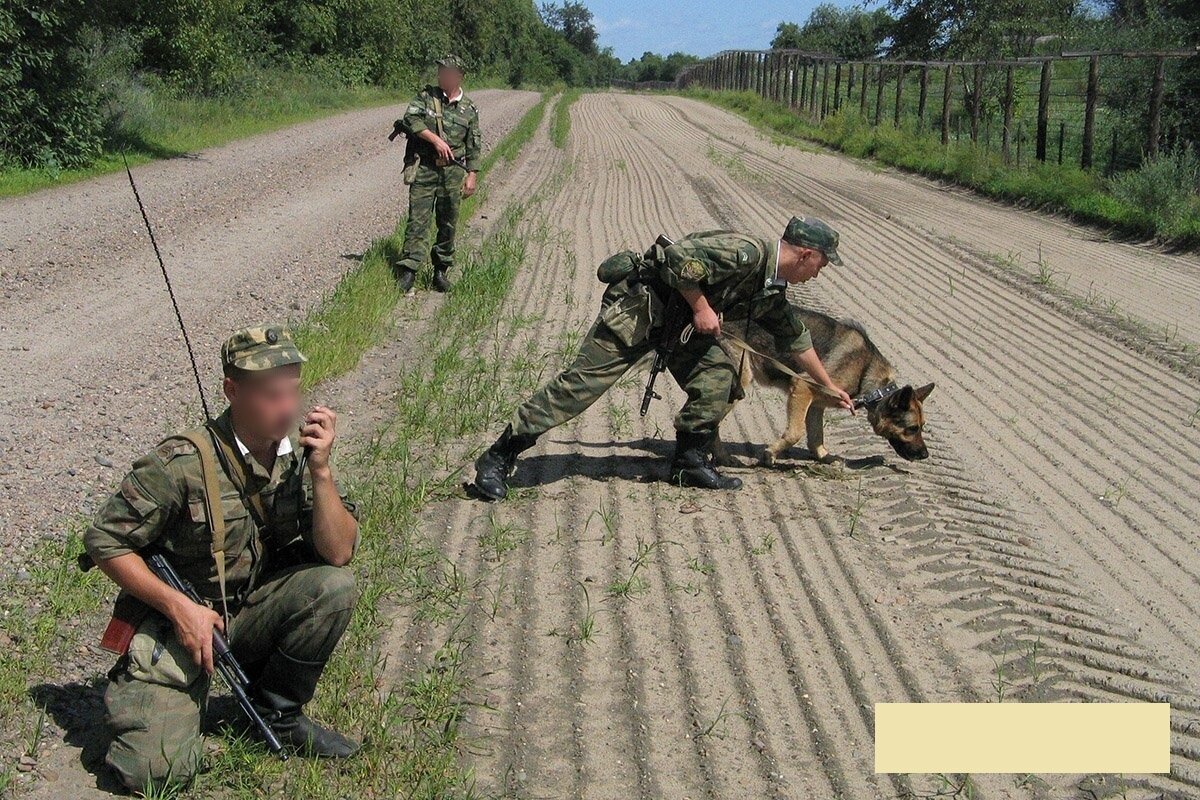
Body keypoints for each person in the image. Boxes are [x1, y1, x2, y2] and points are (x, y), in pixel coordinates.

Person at [83, 325, 361, 793]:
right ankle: (155, 698)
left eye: (293, 391)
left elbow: (339, 552)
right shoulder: (182, 463)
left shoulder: (296, 455)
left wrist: (322, 471)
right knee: (157, 774)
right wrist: (179, 608)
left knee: (333, 587)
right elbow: (105, 542)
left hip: (244, 617)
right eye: (272, 395)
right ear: (232, 391)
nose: (288, 408)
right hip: (179, 631)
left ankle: (279, 712)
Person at [472, 216, 855, 500]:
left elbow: (794, 336)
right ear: (806, 254)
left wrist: (828, 384)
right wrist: (703, 307)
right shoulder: (746, 253)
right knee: (579, 388)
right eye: (822, 263)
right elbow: (677, 258)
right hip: (640, 313)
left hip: (677, 327)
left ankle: (688, 463)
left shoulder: (769, 286)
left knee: (719, 376)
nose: (819, 273)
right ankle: (498, 457)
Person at [392, 54, 482, 293]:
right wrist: (434, 140)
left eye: (449, 71)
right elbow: (410, 118)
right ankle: (409, 270)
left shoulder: (469, 109)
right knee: (418, 220)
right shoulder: (425, 97)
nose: (443, 75)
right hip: (425, 168)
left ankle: (440, 271)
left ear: (459, 76)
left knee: (448, 222)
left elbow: (474, 144)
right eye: (442, 70)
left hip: (453, 173)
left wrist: (472, 174)